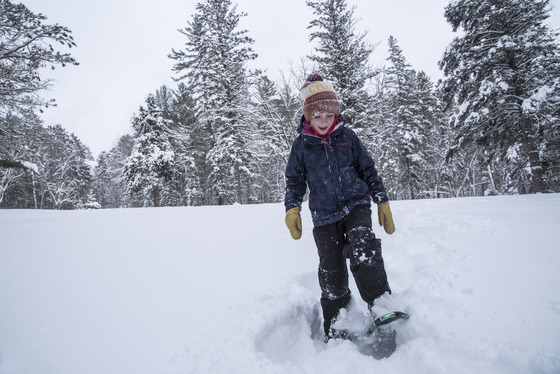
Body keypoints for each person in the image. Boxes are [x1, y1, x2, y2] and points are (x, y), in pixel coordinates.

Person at [284, 73, 396, 340]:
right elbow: (294, 181)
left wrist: (381, 200)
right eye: (318, 116)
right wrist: (292, 208)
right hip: (323, 215)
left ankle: (381, 305)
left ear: (337, 114)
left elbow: (368, 170)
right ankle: (337, 319)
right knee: (331, 267)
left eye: (329, 115)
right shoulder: (301, 146)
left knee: (363, 246)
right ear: (307, 117)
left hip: (356, 204)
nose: (324, 122)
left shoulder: (348, 137)